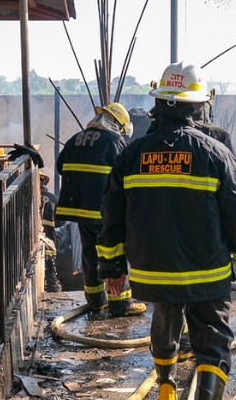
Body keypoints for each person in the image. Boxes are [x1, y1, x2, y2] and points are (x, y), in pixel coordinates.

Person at [97, 62, 236, 400]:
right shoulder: (216, 154)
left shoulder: (130, 154)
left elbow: (111, 215)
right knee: (213, 341)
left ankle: (166, 388)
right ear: (199, 106)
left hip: (153, 272)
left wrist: (112, 268)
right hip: (206, 273)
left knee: (165, 320)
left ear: (158, 103)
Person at [55, 102, 146, 318]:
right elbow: (126, 173)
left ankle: (96, 301)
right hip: (104, 211)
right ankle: (120, 305)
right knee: (113, 252)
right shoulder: (114, 141)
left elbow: (60, 166)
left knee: (89, 254)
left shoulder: (75, 138)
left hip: (79, 210)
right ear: (116, 123)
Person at [39, 172, 62, 292]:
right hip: (50, 238)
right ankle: (53, 287)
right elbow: (60, 222)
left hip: (33, 238)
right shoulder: (53, 198)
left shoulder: (27, 196)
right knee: (51, 265)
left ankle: (47, 286)